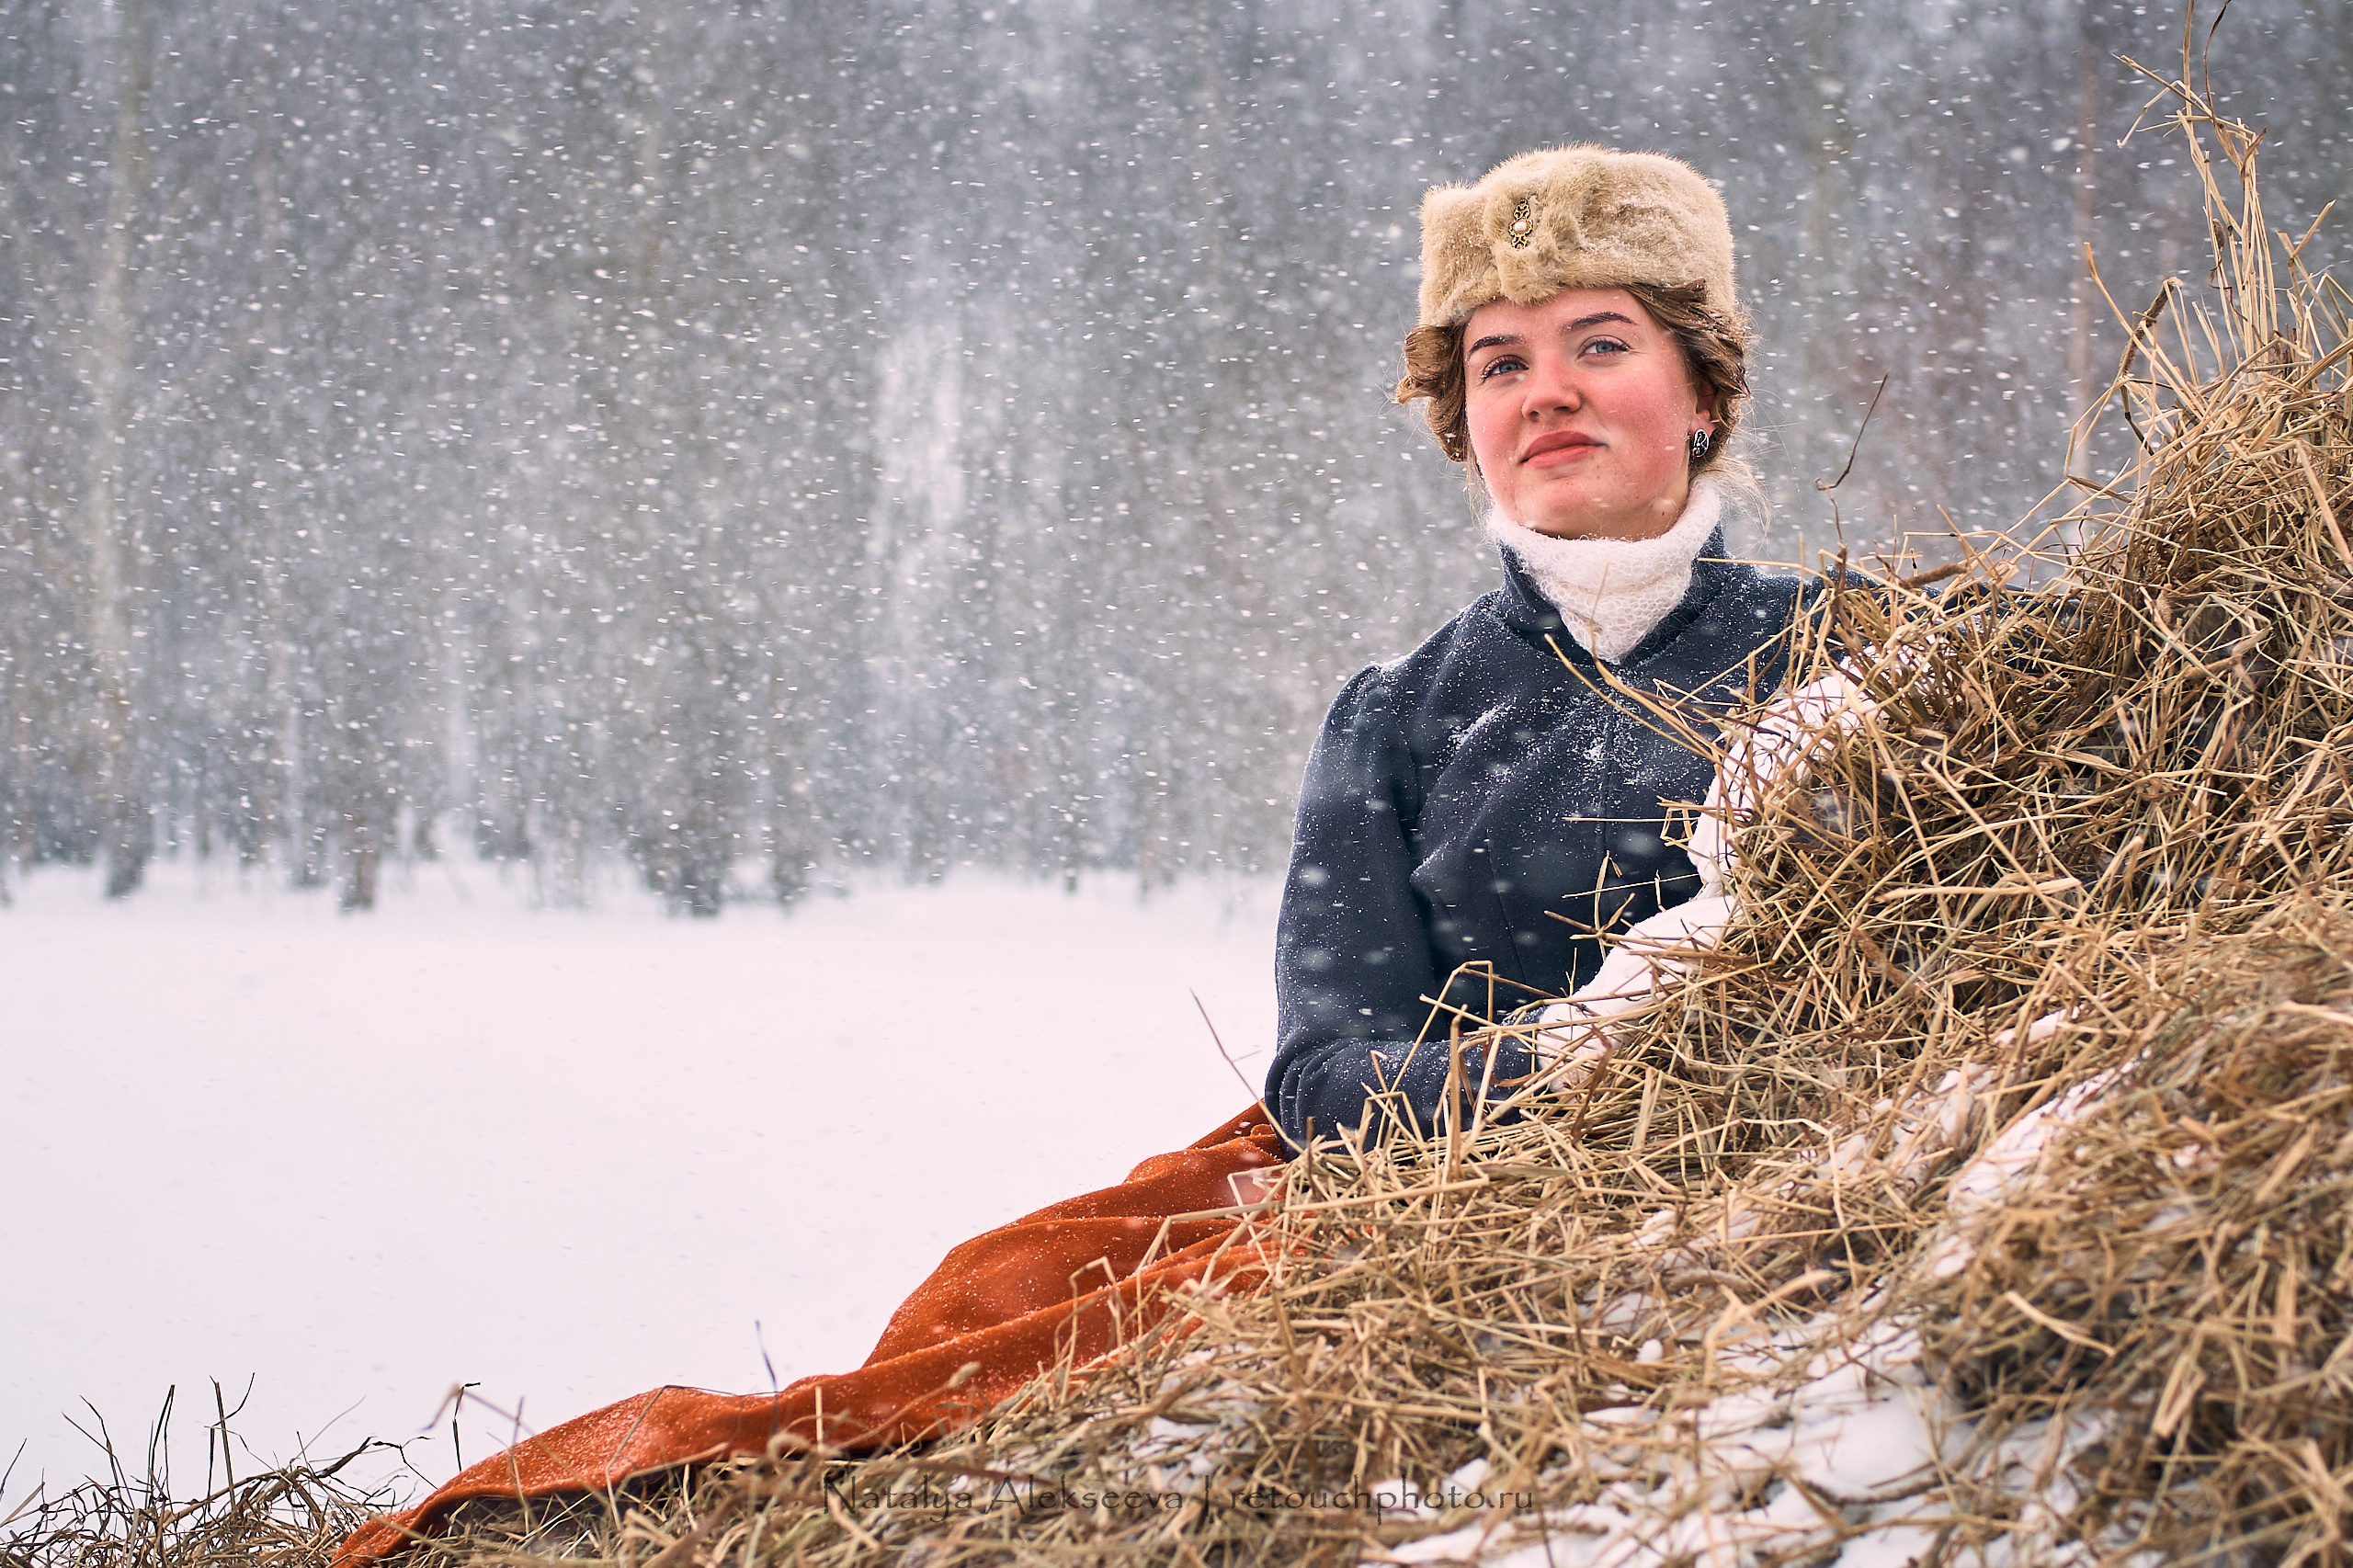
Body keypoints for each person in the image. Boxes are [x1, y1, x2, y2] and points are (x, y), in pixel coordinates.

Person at [1267, 146, 1820, 1148]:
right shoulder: (1394, 715)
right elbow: (1321, 1080)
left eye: (1599, 345)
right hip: (1496, 1252)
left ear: (1704, 395)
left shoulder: (1855, 648)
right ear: (1463, 423)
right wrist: (1573, 1048)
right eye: (1502, 364)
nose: (1546, 392)